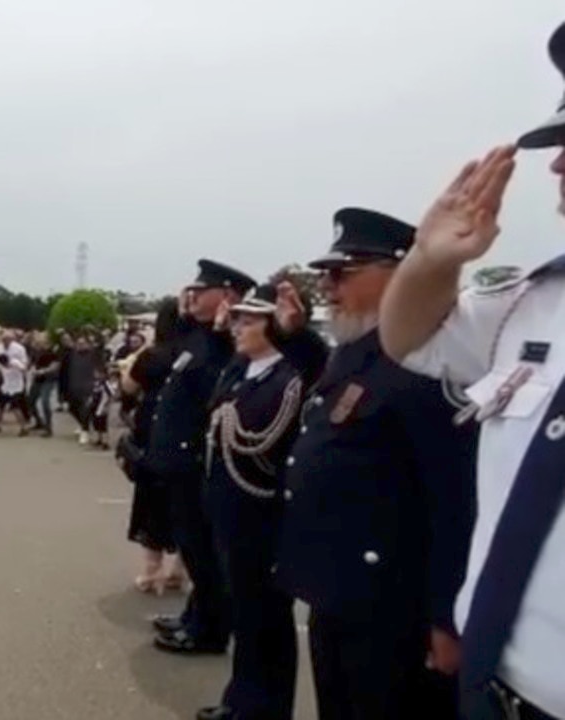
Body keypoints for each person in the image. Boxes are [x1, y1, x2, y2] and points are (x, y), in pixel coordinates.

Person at [377, 27, 565, 719]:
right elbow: (409, 341)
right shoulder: (531, 302)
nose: (556, 167)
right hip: (493, 691)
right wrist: (431, 262)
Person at [275, 208, 478, 720]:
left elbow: (456, 500)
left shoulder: (433, 361)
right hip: (337, 591)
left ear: (404, 273)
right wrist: (294, 334)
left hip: (393, 609)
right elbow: (330, 382)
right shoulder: (361, 350)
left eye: (343, 273)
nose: (328, 286)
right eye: (325, 274)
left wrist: (446, 619)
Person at [197, 283, 328, 720]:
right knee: (246, 617)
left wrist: (298, 331)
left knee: (266, 622)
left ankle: (263, 710)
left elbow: (315, 365)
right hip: (230, 509)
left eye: (248, 320)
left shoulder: (291, 376)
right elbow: (219, 398)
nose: (237, 327)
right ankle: (241, 700)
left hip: (263, 515)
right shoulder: (242, 370)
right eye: (237, 318)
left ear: (273, 325)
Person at [149, 259, 256, 656]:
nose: (191, 295)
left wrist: (223, 329)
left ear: (227, 296)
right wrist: (183, 317)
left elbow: (222, 388)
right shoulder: (198, 337)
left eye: (201, 290)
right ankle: (196, 616)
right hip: (178, 463)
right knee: (193, 549)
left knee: (204, 552)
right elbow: (174, 358)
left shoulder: (229, 342)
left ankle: (209, 630)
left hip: (197, 462)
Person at [121, 297, 185, 594]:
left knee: (151, 501)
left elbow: (128, 386)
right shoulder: (195, 353)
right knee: (186, 505)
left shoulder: (153, 356)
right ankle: (179, 570)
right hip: (186, 433)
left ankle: (151, 571)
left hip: (153, 433)